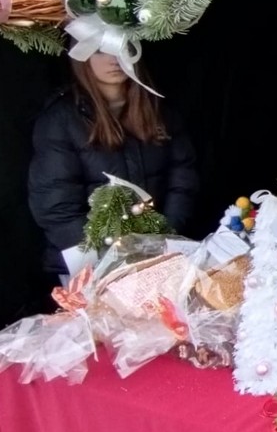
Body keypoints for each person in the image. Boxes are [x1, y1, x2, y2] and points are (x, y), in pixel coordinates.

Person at [27, 51, 199, 274]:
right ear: (82, 55)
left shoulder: (159, 110)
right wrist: (111, 263)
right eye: (99, 50)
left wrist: (164, 241)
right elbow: (57, 208)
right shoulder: (61, 120)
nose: (114, 59)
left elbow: (182, 180)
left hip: (159, 258)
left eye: (122, 48)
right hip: (90, 266)